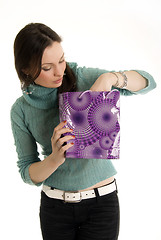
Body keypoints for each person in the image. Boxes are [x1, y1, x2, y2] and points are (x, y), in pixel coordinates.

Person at [11, 23, 156, 240]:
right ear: (26, 70)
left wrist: (111, 78)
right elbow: (27, 172)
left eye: (61, 60)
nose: (59, 71)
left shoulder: (83, 78)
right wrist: (55, 158)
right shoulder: (21, 110)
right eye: (47, 67)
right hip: (55, 209)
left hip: (101, 205)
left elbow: (148, 82)